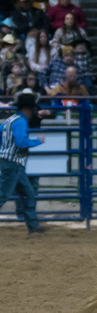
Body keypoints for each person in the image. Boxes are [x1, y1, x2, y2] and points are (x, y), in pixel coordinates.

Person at [0, 90, 46, 233]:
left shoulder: (10, 120)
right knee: (3, 195)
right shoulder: (21, 122)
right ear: (28, 108)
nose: (33, 112)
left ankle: (33, 226)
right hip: (14, 163)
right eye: (32, 109)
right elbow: (21, 142)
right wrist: (38, 141)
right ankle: (33, 225)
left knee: (27, 192)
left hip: (11, 162)